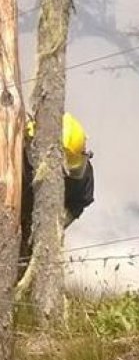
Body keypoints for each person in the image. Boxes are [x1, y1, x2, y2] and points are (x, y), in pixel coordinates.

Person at [19, 112, 95, 265]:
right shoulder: (13, 155)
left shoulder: (80, 179)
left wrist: (52, 228)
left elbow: (77, 203)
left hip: (40, 218)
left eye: (63, 171)